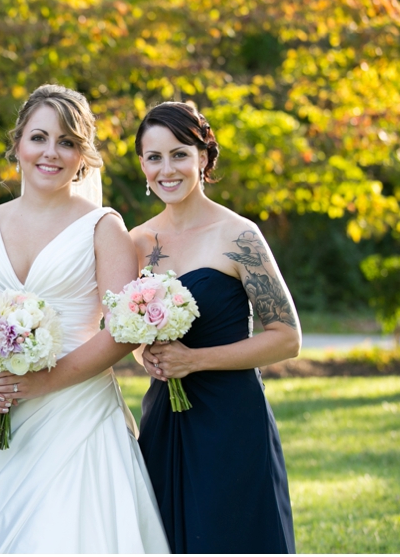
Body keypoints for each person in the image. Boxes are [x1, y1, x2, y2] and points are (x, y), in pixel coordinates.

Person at [0, 85, 170, 554]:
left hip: (78, 410)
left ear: (81, 155)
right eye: (40, 138)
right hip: (1, 409)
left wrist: (46, 383)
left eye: (67, 142)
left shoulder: (103, 226)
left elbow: (122, 330)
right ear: (18, 144)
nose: (51, 153)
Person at [130, 101, 300, 553]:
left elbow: (287, 337)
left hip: (232, 417)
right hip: (166, 415)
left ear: (203, 158)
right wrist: (148, 356)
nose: (167, 169)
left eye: (180, 153)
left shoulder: (238, 236)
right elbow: (127, 331)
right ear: (143, 164)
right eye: (154, 157)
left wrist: (194, 360)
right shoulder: (137, 242)